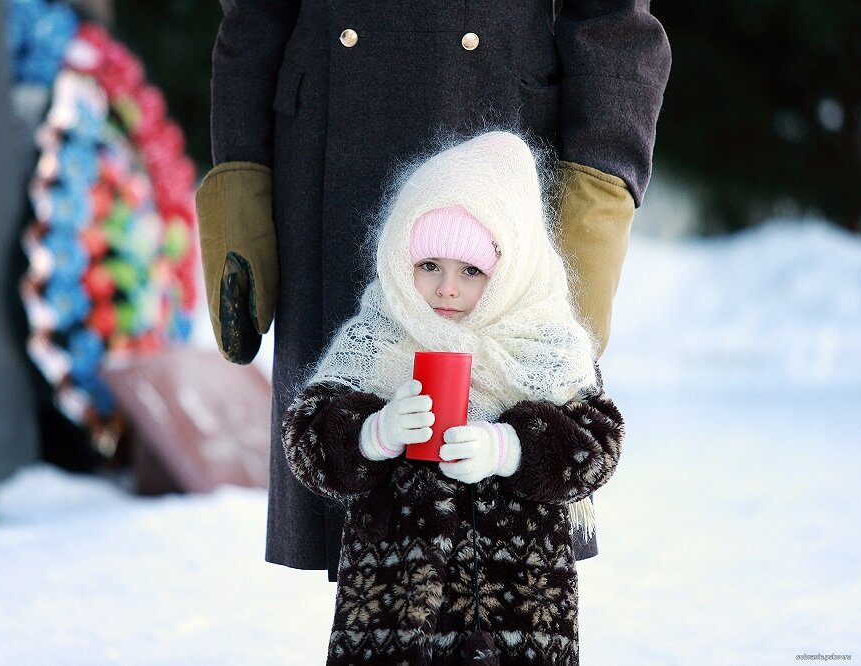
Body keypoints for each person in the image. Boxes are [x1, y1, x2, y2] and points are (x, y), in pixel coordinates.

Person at [196, 0, 669, 581]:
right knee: (364, 477)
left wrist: (598, 194)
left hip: (495, 139)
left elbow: (611, 16)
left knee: (507, 537)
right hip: (328, 150)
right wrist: (240, 178)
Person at [281, 131, 625, 664]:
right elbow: (305, 437)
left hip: (521, 614)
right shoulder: (380, 332)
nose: (446, 289)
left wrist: (509, 448)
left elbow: (598, 445)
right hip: (392, 614)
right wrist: (375, 432)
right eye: (428, 266)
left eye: (471, 271)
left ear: (510, 269)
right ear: (400, 260)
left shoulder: (546, 341)